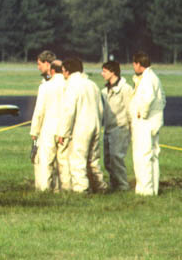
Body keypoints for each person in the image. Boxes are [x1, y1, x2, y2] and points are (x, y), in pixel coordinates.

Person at [57, 57, 104, 193]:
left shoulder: (72, 86)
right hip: (95, 125)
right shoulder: (92, 84)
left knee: (77, 159)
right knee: (93, 160)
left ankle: (81, 189)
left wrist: (63, 133)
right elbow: (100, 108)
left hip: (81, 127)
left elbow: (68, 112)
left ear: (66, 71)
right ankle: (100, 186)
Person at [28, 50, 67, 192]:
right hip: (65, 128)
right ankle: (59, 190)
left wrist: (34, 131)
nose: (38, 67)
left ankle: (44, 190)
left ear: (48, 64)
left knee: (44, 162)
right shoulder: (68, 84)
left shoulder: (45, 86)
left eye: (39, 64)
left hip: (48, 128)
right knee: (61, 163)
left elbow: (39, 111)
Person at [129, 52, 167, 195]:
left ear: (139, 64)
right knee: (152, 156)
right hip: (153, 122)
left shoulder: (146, 79)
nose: (133, 66)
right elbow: (162, 98)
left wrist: (142, 113)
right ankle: (152, 189)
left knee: (142, 156)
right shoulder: (153, 77)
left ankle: (145, 190)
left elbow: (149, 97)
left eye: (134, 63)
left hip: (144, 123)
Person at [100, 60, 133, 192]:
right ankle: (114, 185)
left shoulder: (126, 89)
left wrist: (130, 129)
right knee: (108, 160)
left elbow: (130, 109)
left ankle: (123, 186)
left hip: (120, 128)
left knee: (116, 157)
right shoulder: (104, 91)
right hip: (108, 129)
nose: (102, 74)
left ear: (113, 72)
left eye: (104, 71)